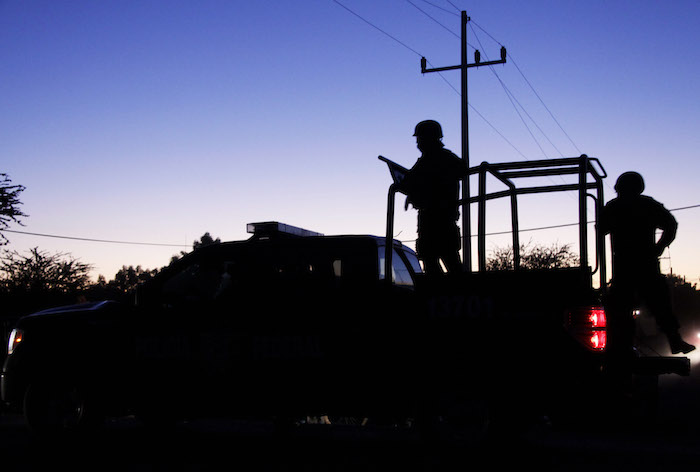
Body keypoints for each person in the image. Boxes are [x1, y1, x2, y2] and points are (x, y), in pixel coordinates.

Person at [600, 171, 695, 355]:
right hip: (642, 265)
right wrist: (659, 247)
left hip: (628, 265)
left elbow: (601, 229)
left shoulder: (616, 206)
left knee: (625, 307)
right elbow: (671, 224)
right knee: (657, 303)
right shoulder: (646, 204)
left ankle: (625, 346)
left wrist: (658, 247)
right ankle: (673, 340)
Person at [398, 120, 466, 275]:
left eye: (420, 139)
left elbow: (462, 169)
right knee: (432, 261)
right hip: (430, 218)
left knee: (448, 260)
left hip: (440, 218)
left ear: (430, 138)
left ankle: (454, 292)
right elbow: (410, 181)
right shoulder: (428, 160)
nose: (418, 143)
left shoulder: (440, 158)